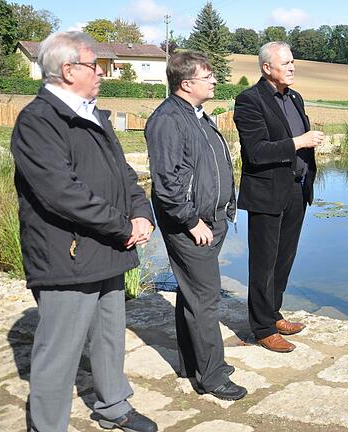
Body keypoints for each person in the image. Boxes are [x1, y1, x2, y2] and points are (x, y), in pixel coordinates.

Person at [10, 31, 157, 432]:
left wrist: (142, 214)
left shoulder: (94, 114)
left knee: (110, 334)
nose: (102, 74)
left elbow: (124, 174)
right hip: (67, 253)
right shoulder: (38, 120)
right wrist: (122, 225)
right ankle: (48, 425)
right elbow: (62, 193)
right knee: (59, 350)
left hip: (108, 246)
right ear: (68, 69)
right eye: (96, 66)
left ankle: (114, 407)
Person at [145, 51, 247, 401]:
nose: (214, 80)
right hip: (191, 224)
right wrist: (191, 221)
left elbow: (212, 168)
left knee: (192, 294)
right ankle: (212, 377)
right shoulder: (168, 120)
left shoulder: (199, 116)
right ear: (186, 83)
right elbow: (167, 182)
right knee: (205, 298)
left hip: (212, 220)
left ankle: (193, 363)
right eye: (208, 76)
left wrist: (226, 208)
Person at [234, 41, 323, 353]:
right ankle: (261, 328)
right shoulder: (249, 101)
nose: (291, 67)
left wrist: (307, 149)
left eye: (292, 61)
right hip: (267, 194)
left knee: (284, 258)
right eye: (284, 63)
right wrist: (299, 142)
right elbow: (255, 152)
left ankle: (273, 313)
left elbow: (295, 143)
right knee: (263, 262)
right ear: (266, 68)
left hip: (297, 190)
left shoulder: (295, 97)